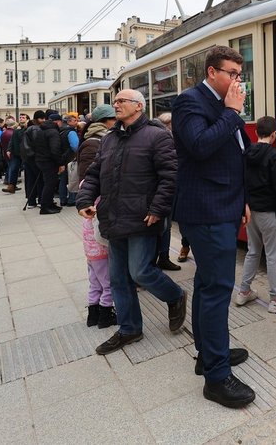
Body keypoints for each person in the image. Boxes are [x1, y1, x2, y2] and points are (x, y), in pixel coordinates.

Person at [173, 45, 255, 409]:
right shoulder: (190, 102)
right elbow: (200, 146)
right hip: (206, 210)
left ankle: (208, 354)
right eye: (232, 74)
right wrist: (232, 112)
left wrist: (244, 200)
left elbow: (234, 153)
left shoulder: (220, 107)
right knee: (219, 288)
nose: (238, 81)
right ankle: (217, 378)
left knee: (208, 285)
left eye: (240, 74)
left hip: (224, 205)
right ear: (211, 72)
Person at [76, 90, 186, 356]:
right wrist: (84, 200)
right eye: (115, 102)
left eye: (121, 101)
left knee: (140, 272)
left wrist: (158, 209)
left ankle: (175, 296)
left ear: (138, 106)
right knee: (118, 279)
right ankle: (129, 328)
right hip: (113, 218)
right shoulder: (109, 139)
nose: (116, 105)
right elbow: (94, 174)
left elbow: (169, 177)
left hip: (142, 218)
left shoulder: (157, 135)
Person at [235, 115, 276, 314]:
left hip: (251, 211)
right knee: (273, 255)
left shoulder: (246, 153)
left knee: (253, 251)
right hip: (269, 212)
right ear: (274, 134)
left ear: (257, 133)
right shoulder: (275, 156)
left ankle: (243, 292)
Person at [77, 104, 118, 330]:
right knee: (109, 282)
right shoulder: (96, 146)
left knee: (95, 280)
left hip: (89, 246)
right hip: (100, 242)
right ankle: (105, 316)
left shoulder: (86, 187)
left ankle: (92, 314)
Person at [153, 112, 181, 271]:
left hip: (163, 189)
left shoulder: (159, 135)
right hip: (161, 190)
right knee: (162, 227)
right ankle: (159, 259)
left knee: (165, 226)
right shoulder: (164, 138)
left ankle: (162, 258)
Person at [33, 113, 65, 213]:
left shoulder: (41, 130)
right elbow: (55, 150)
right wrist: (60, 163)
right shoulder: (53, 132)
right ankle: (45, 207)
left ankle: (49, 204)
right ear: (57, 122)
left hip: (41, 160)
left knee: (48, 183)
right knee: (50, 184)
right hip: (49, 161)